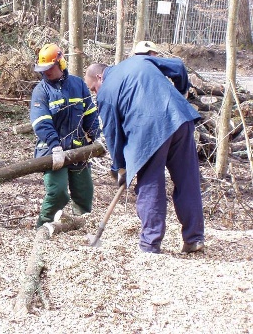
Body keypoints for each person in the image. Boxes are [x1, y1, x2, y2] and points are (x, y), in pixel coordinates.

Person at [85, 55, 205, 254]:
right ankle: (194, 238)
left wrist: (119, 167)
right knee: (187, 180)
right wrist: (180, 92)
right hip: (180, 119)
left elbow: (113, 134)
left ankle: (150, 244)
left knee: (150, 184)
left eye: (92, 88)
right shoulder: (138, 61)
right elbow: (179, 66)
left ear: (99, 77)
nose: (94, 92)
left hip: (148, 131)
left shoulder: (105, 92)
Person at [30, 43, 101, 228]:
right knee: (58, 192)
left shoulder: (77, 85)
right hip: (51, 150)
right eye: (43, 69)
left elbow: (90, 115)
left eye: (50, 68)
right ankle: (43, 226)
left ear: (61, 63)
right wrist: (55, 145)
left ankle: (81, 224)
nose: (46, 72)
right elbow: (41, 123)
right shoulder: (41, 91)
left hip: (78, 148)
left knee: (84, 192)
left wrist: (96, 137)